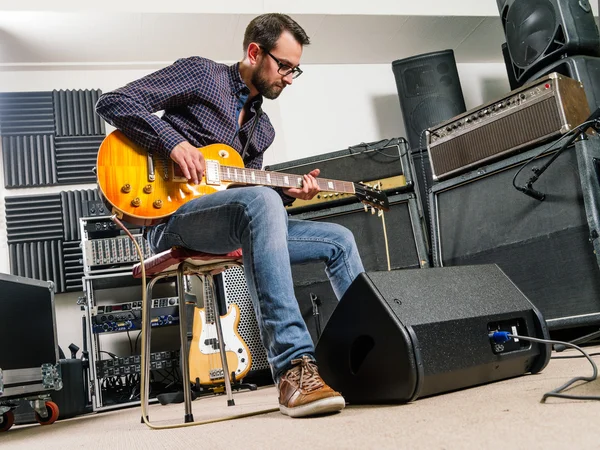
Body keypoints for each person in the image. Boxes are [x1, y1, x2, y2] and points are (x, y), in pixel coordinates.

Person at [95, 13, 365, 418]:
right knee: (261, 200)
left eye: (296, 69)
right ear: (255, 52)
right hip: (174, 221)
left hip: (229, 222)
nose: (290, 78)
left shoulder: (263, 129)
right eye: (285, 66)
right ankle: (293, 366)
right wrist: (173, 143)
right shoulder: (203, 76)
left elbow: (245, 198)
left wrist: (287, 193)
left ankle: (367, 353)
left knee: (339, 240)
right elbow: (114, 102)